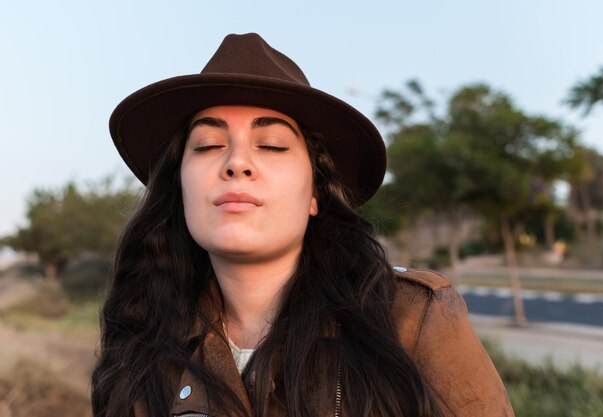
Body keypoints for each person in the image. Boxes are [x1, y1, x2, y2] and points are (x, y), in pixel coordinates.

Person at [92, 33, 515, 417]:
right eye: (209, 145)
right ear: (179, 186)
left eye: (272, 145)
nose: (237, 163)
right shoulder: (140, 343)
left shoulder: (410, 322)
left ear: (315, 192)